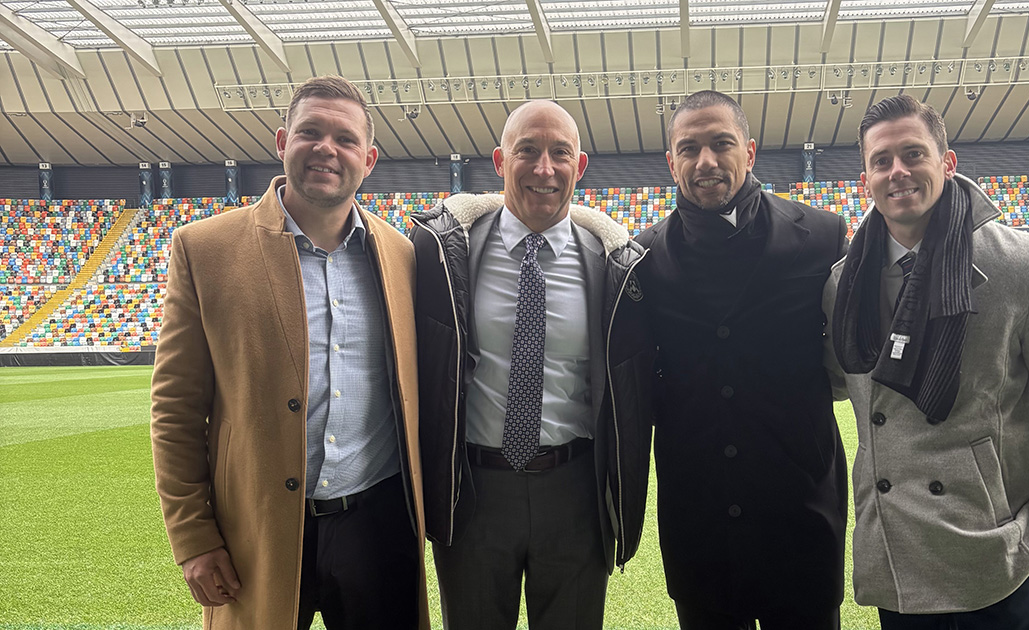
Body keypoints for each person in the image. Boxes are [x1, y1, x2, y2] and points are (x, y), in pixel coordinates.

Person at [150, 75, 428, 630]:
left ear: (368, 158)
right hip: (259, 530)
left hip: (377, 524)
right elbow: (176, 411)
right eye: (311, 132)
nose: (327, 149)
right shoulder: (203, 249)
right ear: (282, 142)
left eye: (345, 139)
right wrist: (193, 538)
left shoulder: (403, 253)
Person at [825, 94, 1029, 629]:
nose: (898, 171)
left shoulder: (1023, 262)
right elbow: (837, 382)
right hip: (899, 557)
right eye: (881, 160)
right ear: (865, 178)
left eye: (914, 154)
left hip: (1000, 560)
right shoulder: (843, 283)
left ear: (948, 163)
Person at [410, 100, 654, 630]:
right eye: (528, 151)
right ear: (500, 161)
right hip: (473, 492)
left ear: (579, 166)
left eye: (559, 153)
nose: (544, 168)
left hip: (574, 491)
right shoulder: (442, 251)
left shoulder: (615, 264)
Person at [633, 89, 849, 629]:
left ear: (748, 152)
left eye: (720, 144)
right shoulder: (642, 257)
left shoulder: (823, 237)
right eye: (689, 149)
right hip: (699, 523)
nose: (704, 161)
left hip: (801, 518)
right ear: (671, 162)